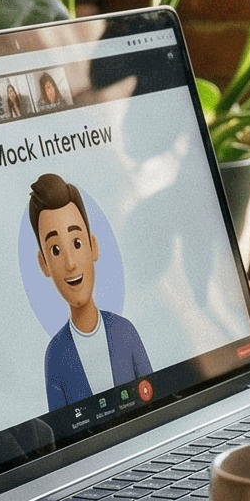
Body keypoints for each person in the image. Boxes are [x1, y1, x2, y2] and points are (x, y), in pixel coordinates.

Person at [29, 174, 151, 409]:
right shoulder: (55, 357)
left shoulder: (125, 332)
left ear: (93, 246)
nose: (70, 264)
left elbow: (158, 402)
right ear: (44, 263)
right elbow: (63, 434)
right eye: (55, 250)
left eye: (76, 243)